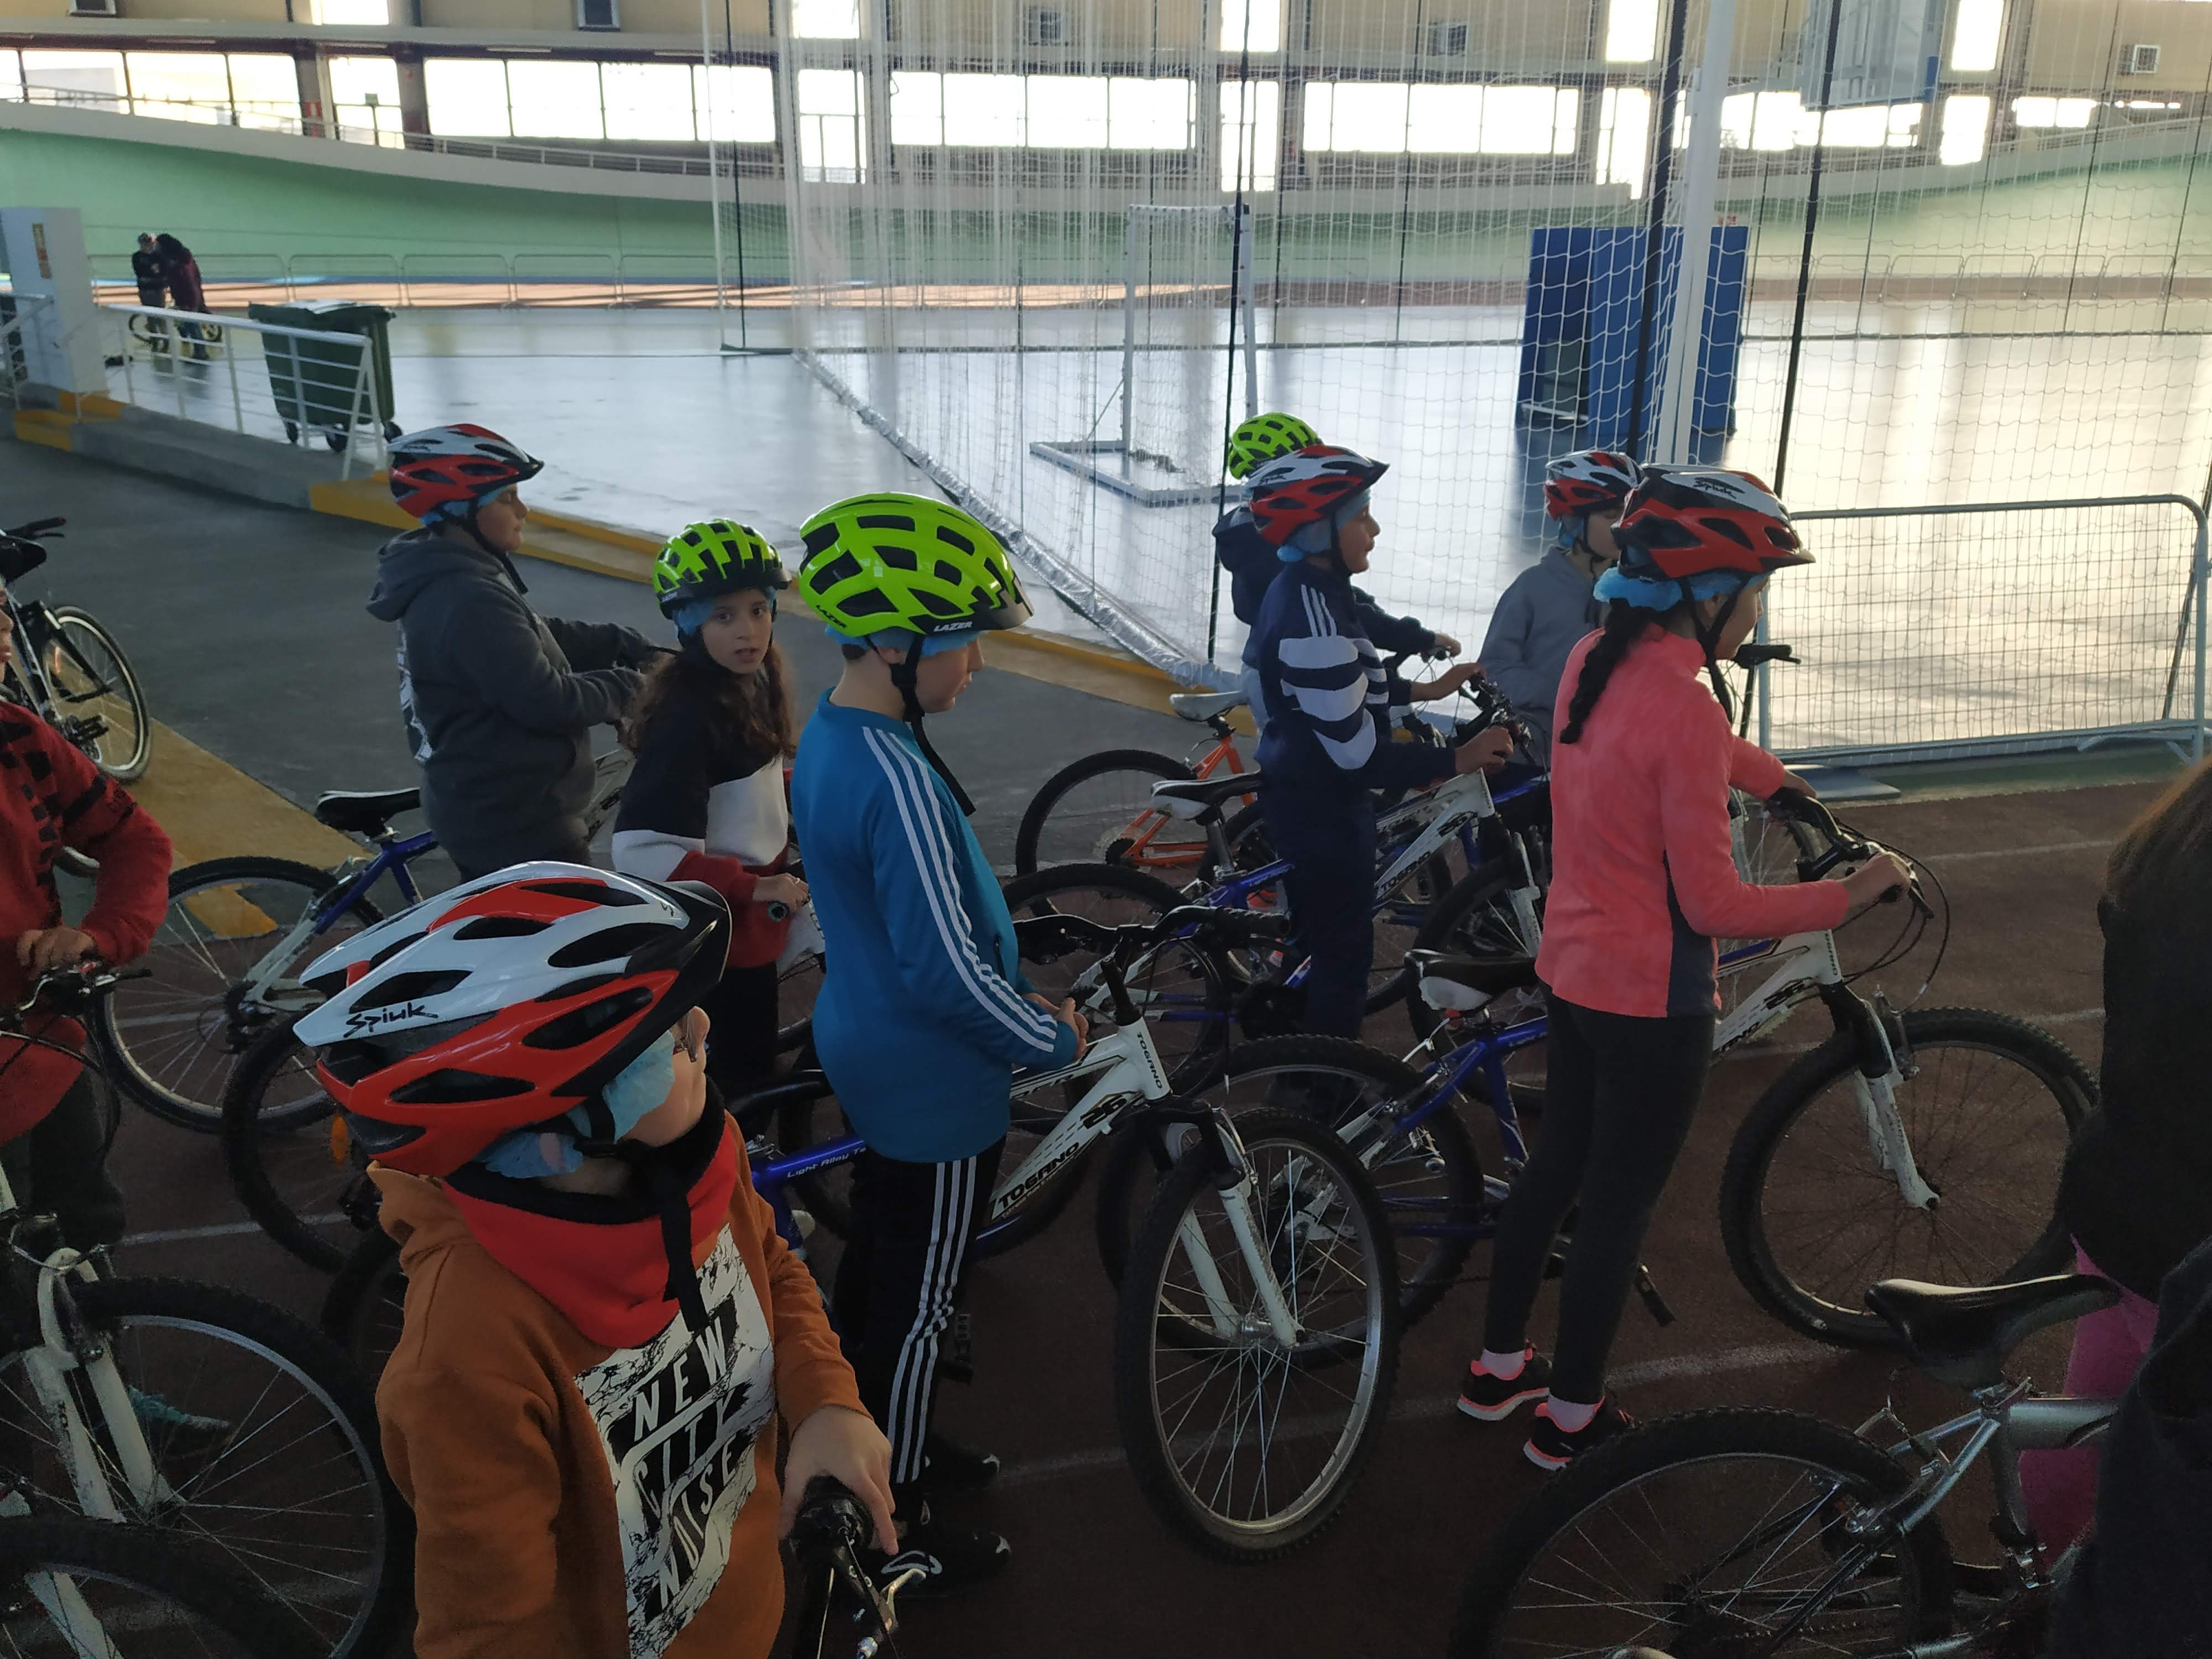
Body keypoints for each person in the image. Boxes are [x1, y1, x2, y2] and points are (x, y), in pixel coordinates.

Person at [293, 865, 894, 1659]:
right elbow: (490, 1630)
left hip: (749, 1612)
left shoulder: (693, 1162)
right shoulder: (465, 1353)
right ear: (561, 1128)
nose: (702, 1029)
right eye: (669, 1038)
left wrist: (825, 1401)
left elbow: (772, 1269)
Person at [1455, 468, 1908, 1469]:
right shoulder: (1688, 710)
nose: (1757, 612)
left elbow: (1680, 745)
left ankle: (1497, 1371)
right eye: (1754, 592)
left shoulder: (1594, 658)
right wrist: (1852, 891)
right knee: (1617, 1210)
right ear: (1707, 597)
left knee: (1556, 1171)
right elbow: (1716, 908)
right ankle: (1571, 1420)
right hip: (1652, 1003)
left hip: (1573, 968)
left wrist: (1781, 781)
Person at [786, 492, 1087, 1592]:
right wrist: (1047, 1036)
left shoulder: (836, 737)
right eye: (965, 643)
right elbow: (946, 972)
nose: (978, 664)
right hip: (933, 1077)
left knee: (881, 1263)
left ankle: (878, 1436)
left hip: (869, 1044)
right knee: (920, 1307)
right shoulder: (899, 779)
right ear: (896, 644)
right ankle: (895, 1513)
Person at [1243, 445, 1513, 1039]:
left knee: (1314, 942)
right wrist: (1457, 757)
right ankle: (1322, 1079)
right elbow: (1357, 754)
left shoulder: (1316, 589)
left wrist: (1427, 688)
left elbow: (1346, 685)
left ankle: (1293, 1044)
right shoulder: (1314, 621)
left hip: (1306, 793)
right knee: (1343, 962)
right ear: (1318, 529)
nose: (1375, 529)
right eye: (1361, 516)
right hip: (1323, 810)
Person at [2020, 761, 2212, 1553]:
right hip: (2186, 1236)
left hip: (2116, 1184)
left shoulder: (2170, 846)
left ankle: (2036, 1565)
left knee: (2086, 1417)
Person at [367, 424, 660, 880]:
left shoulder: (456, 576)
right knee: (584, 924)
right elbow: (547, 700)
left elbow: (528, 635)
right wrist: (634, 688)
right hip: (516, 825)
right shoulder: (467, 597)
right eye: (507, 498)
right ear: (462, 510)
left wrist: (620, 642)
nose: (523, 510)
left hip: (488, 806)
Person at [0, 582, 173, 1254]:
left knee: (87, 1233)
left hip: (40, 1044)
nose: (4, 627)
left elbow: (135, 839)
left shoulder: (19, 736)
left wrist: (98, 936)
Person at [613, 520, 807, 1100]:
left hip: (746, 922)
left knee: (749, 1054)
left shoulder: (746, 683)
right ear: (690, 625)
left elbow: (747, 784)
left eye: (758, 610)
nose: (749, 630)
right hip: (720, 936)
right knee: (739, 1078)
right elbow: (644, 852)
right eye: (723, 617)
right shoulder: (688, 717)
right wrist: (756, 886)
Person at [1215, 413, 1460, 733]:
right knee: (1308, 757)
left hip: (1270, 666)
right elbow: (1339, 610)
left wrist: (1405, 634)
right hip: (1285, 677)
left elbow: (1340, 596)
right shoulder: (1271, 551)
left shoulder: (1255, 534)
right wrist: (1418, 638)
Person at [1478, 450, 1641, 764]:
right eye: (1611, 516)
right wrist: (1560, 694)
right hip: (1532, 758)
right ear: (1574, 519)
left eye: (1628, 514)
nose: (1624, 526)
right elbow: (1492, 669)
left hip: (1604, 759)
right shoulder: (1532, 588)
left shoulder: (1631, 594)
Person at [152, 233, 208, 361]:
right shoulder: (185, 258)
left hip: (186, 298)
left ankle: (200, 352)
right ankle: (200, 351)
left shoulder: (176, 264)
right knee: (191, 325)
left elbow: (183, 283)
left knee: (192, 326)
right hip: (192, 296)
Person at [131, 233, 169, 353]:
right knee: (151, 317)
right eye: (144, 244)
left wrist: (153, 273)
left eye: (148, 244)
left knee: (161, 317)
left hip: (157, 290)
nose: (146, 246)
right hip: (146, 290)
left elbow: (163, 271)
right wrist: (154, 272)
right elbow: (139, 272)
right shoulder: (137, 257)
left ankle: (166, 341)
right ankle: (155, 341)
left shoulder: (158, 256)